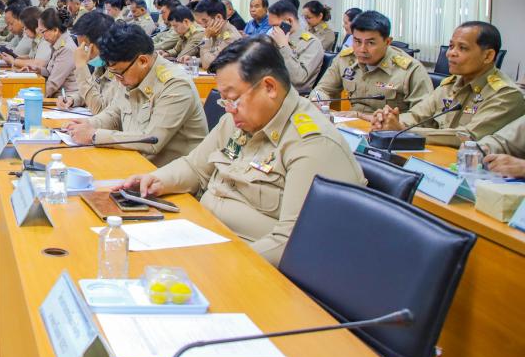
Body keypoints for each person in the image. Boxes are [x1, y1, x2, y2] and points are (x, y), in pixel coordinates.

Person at [117, 38, 363, 266]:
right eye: (224, 100)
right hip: (206, 234)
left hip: (253, 264)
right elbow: (195, 167)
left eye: (233, 99)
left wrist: (225, 265)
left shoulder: (311, 145)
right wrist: (156, 180)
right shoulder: (239, 120)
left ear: (269, 87)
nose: (229, 109)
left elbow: (292, 242)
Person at [63, 25, 207, 165]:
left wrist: (94, 135)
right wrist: (88, 124)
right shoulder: (129, 72)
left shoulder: (175, 85)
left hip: (165, 172)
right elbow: (114, 113)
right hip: (135, 162)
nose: (118, 80)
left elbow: (152, 140)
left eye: (119, 74)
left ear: (143, 61)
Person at [371, 22, 525, 146]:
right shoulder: (451, 84)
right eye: (451, 46)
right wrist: (389, 120)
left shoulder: (506, 95)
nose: (450, 53)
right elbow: (417, 115)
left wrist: (403, 131)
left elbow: (468, 136)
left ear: (488, 56)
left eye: (462, 48)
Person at [310, 11, 431, 119]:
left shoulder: (410, 70)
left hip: (388, 132)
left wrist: (364, 117)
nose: (362, 49)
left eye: (370, 43)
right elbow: (322, 89)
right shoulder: (345, 59)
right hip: (350, 125)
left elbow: (423, 116)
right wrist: (319, 100)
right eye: (357, 41)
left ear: (387, 42)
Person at [59, 10, 117, 112]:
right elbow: (92, 90)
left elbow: (99, 109)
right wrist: (72, 99)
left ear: (102, 43)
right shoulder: (102, 64)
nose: (81, 51)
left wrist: (81, 67)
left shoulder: (119, 69)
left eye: (84, 47)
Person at [266, 0, 323, 93]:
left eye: (275, 26)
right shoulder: (275, 39)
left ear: (289, 21)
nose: (273, 30)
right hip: (268, 90)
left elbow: (298, 79)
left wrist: (284, 46)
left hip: (292, 96)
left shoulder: (311, 43)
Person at [33, 7, 79, 98]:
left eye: (43, 32)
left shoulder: (66, 49)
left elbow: (53, 84)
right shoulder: (58, 44)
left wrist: (32, 97)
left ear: (55, 30)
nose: (42, 36)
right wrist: (38, 70)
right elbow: (52, 72)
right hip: (57, 95)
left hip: (67, 99)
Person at [192, 0, 240, 71]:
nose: (203, 26)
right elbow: (212, 57)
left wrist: (206, 38)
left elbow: (208, 64)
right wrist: (193, 60)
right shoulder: (214, 32)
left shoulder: (230, 37)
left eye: (205, 21)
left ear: (218, 17)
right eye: (200, 22)